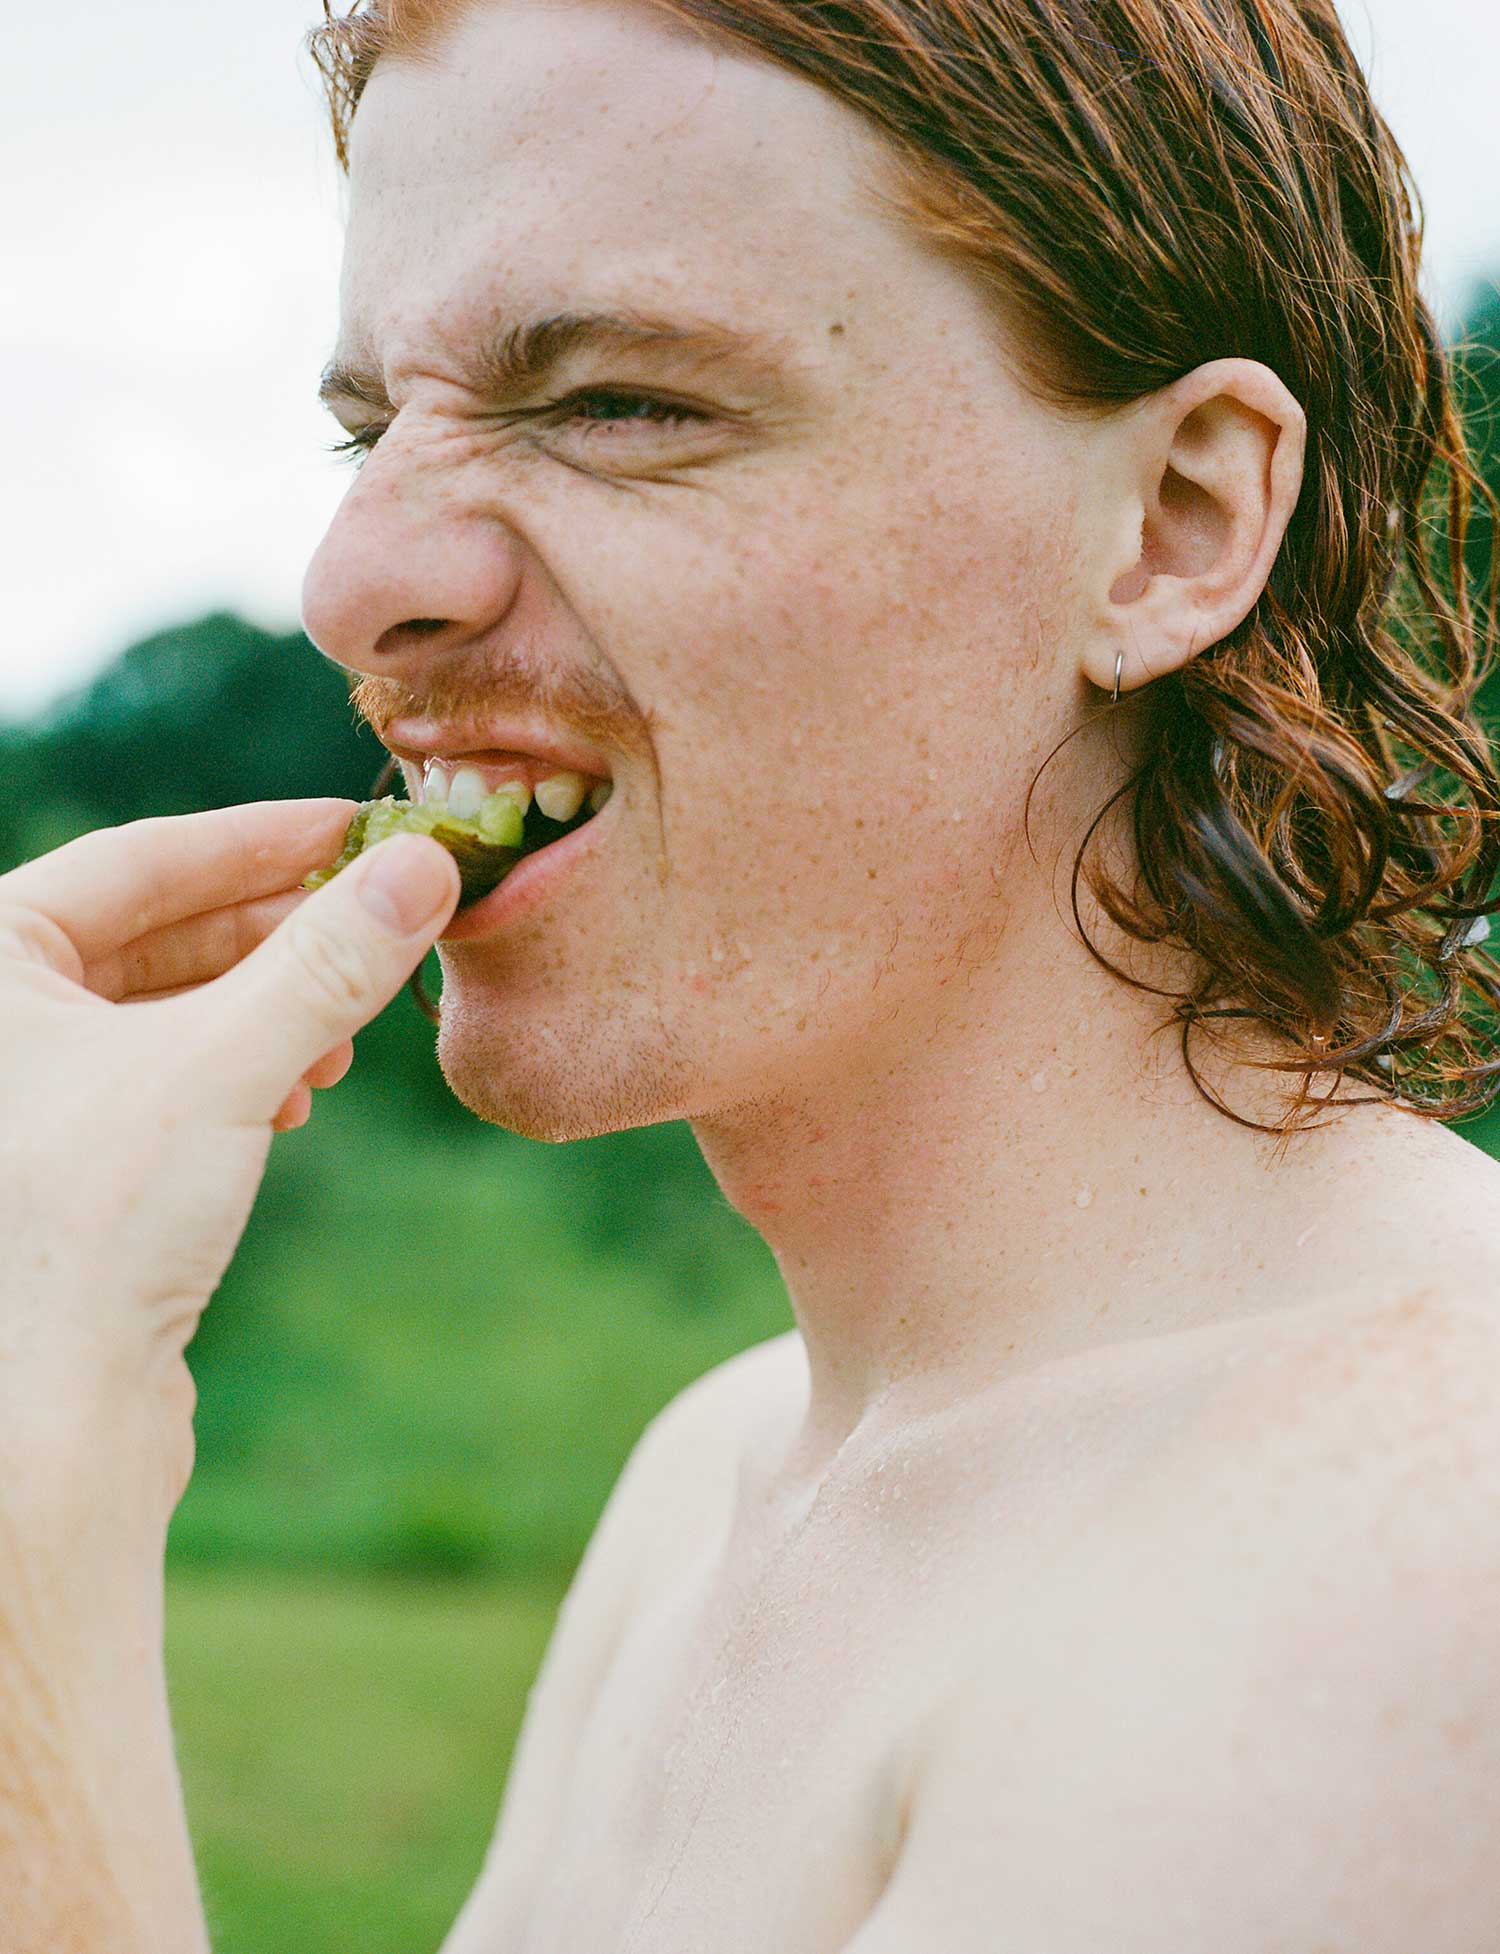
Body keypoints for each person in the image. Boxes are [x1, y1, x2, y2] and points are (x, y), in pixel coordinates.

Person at [4, 0, 1500, 1947]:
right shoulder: (722, 1459)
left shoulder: (1400, 1553)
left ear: (1175, 525)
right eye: (372, 425)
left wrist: (28, 1516)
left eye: (620, 402)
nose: (354, 575)